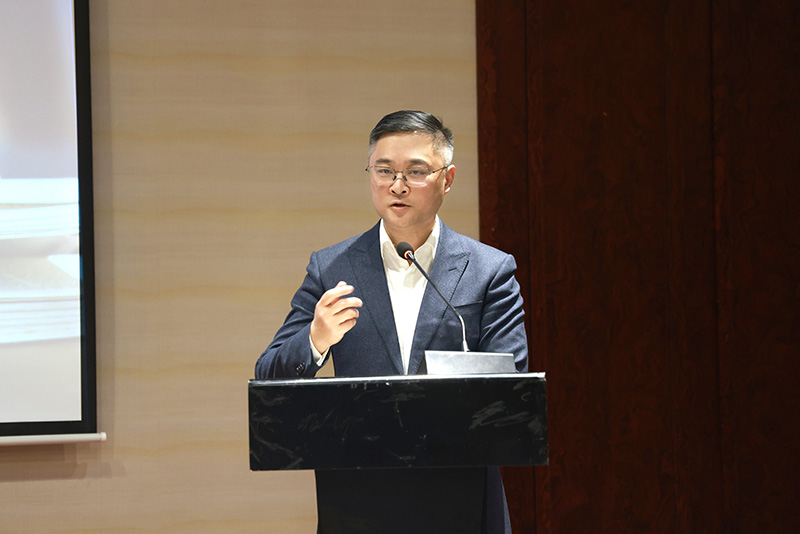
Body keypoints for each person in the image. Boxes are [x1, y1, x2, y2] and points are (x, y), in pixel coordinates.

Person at [255, 110, 528, 533]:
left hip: (461, 499)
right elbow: (269, 376)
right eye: (384, 171)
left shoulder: (488, 271)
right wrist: (315, 339)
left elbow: (511, 387)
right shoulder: (332, 268)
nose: (397, 186)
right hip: (359, 502)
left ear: (447, 179)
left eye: (415, 171)